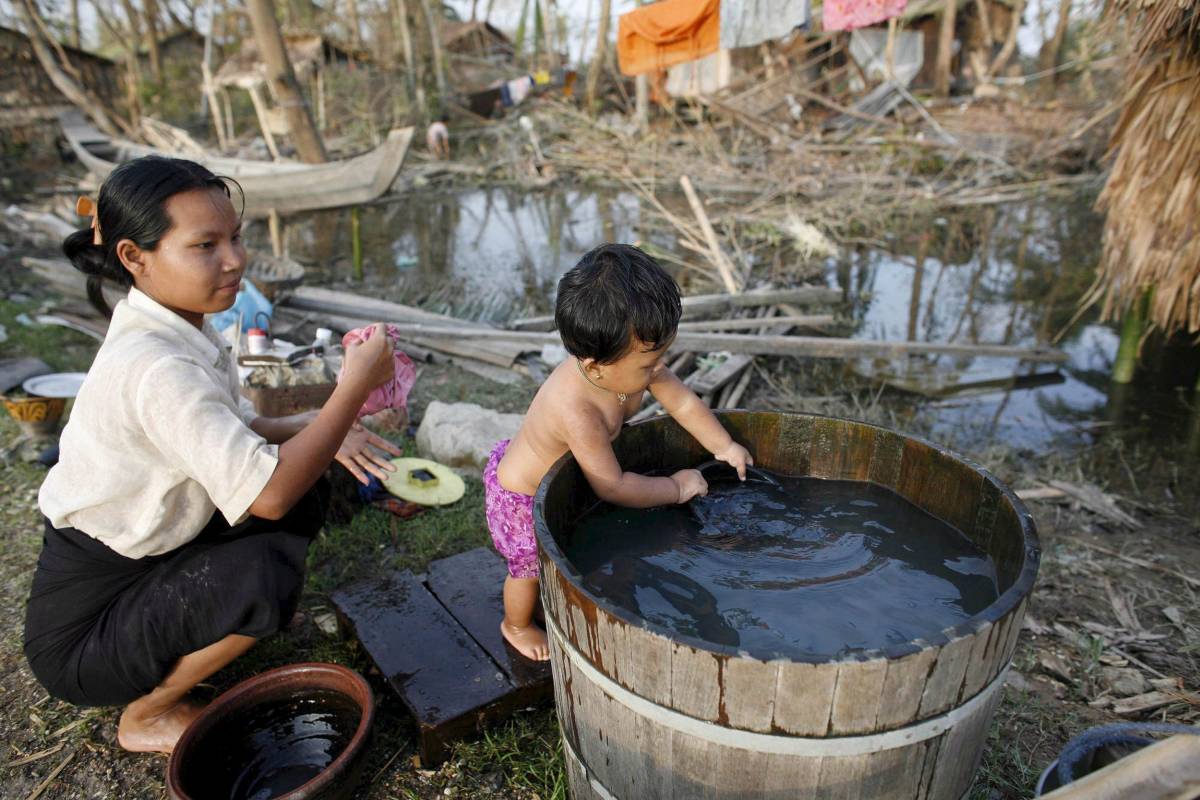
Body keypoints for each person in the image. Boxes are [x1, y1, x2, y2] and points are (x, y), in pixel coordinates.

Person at [24, 156, 402, 754]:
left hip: (152, 555)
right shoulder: (156, 366)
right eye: (205, 245)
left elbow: (240, 424)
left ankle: (212, 631)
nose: (234, 261)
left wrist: (319, 424)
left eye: (235, 237)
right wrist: (349, 390)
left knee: (308, 485)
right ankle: (147, 714)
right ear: (133, 256)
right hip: (86, 632)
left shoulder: (183, 323)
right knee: (266, 569)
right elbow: (269, 495)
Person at [485, 244, 754, 661]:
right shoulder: (578, 410)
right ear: (595, 367)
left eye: (660, 356)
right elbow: (612, 486)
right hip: (519, 497)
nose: (659, 369)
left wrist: (724, 445)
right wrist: (676, 486)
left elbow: (682, 403)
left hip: (565, 478)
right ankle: (515, 624)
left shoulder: (629, 365)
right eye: (649, 364)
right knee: (528, 568)